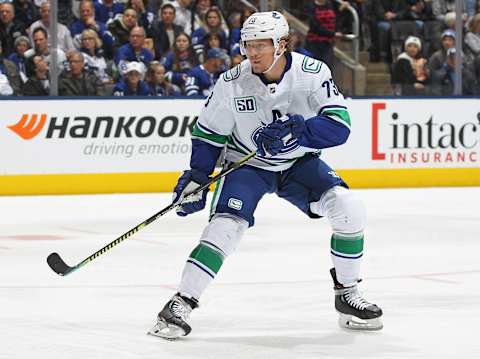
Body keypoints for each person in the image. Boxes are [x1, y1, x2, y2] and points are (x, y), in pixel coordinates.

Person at [148, 11, 383, 340]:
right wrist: (198, 176)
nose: (253, 52)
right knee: (225, 227)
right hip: (249, 165)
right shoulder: (231, 82)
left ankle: (347, 294)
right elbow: (209, 134)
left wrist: (299, 131)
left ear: (282, 44)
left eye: (261, 45)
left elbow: (339, 125)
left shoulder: (312, 73)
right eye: (248, 45)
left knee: (349, 207)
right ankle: (181, 301)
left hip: (298, 164)